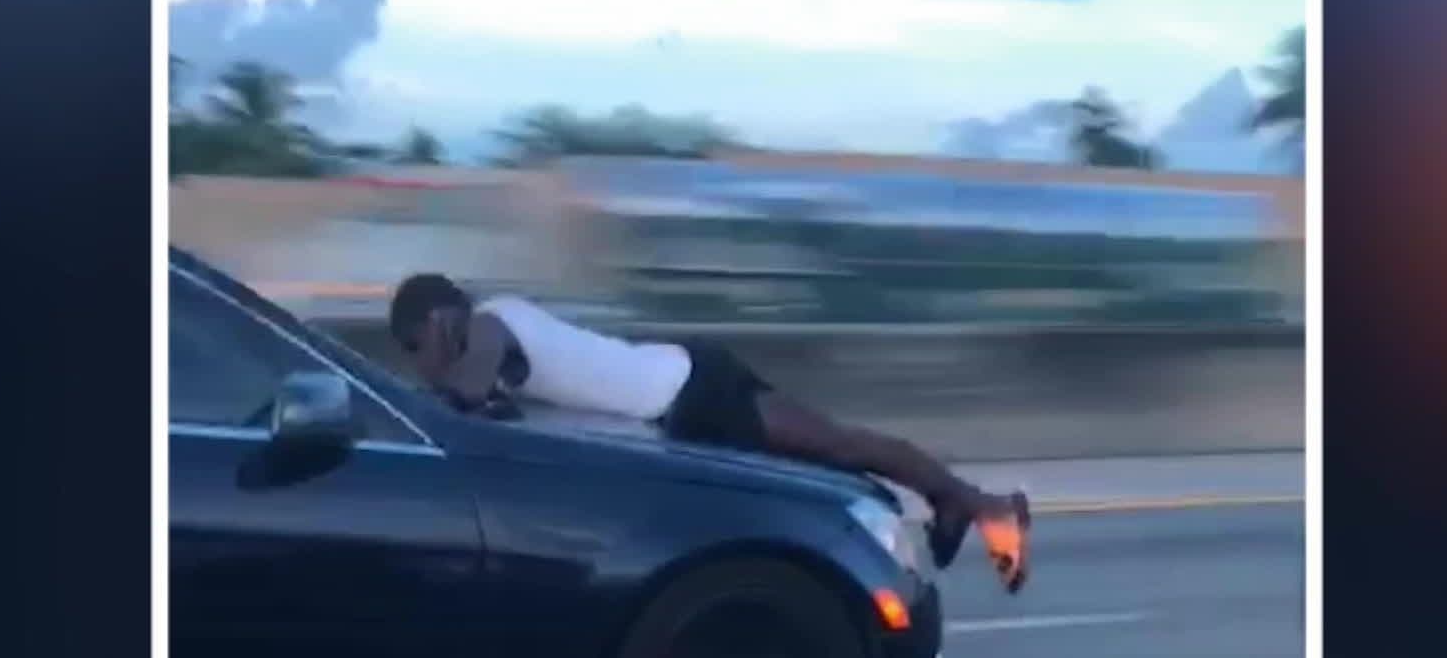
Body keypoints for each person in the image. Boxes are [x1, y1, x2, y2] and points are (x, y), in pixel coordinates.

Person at [389, 274, 1032, 592]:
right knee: (822, 474)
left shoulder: (492, 322)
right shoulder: (491, 349)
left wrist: (419, 395)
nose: (421, 363)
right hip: (675, 417)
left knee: (836, 447)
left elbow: (461, 396)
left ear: (442, 320)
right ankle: (953, 504)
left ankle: (987, 507)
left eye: (417, 346)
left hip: (694, 390)